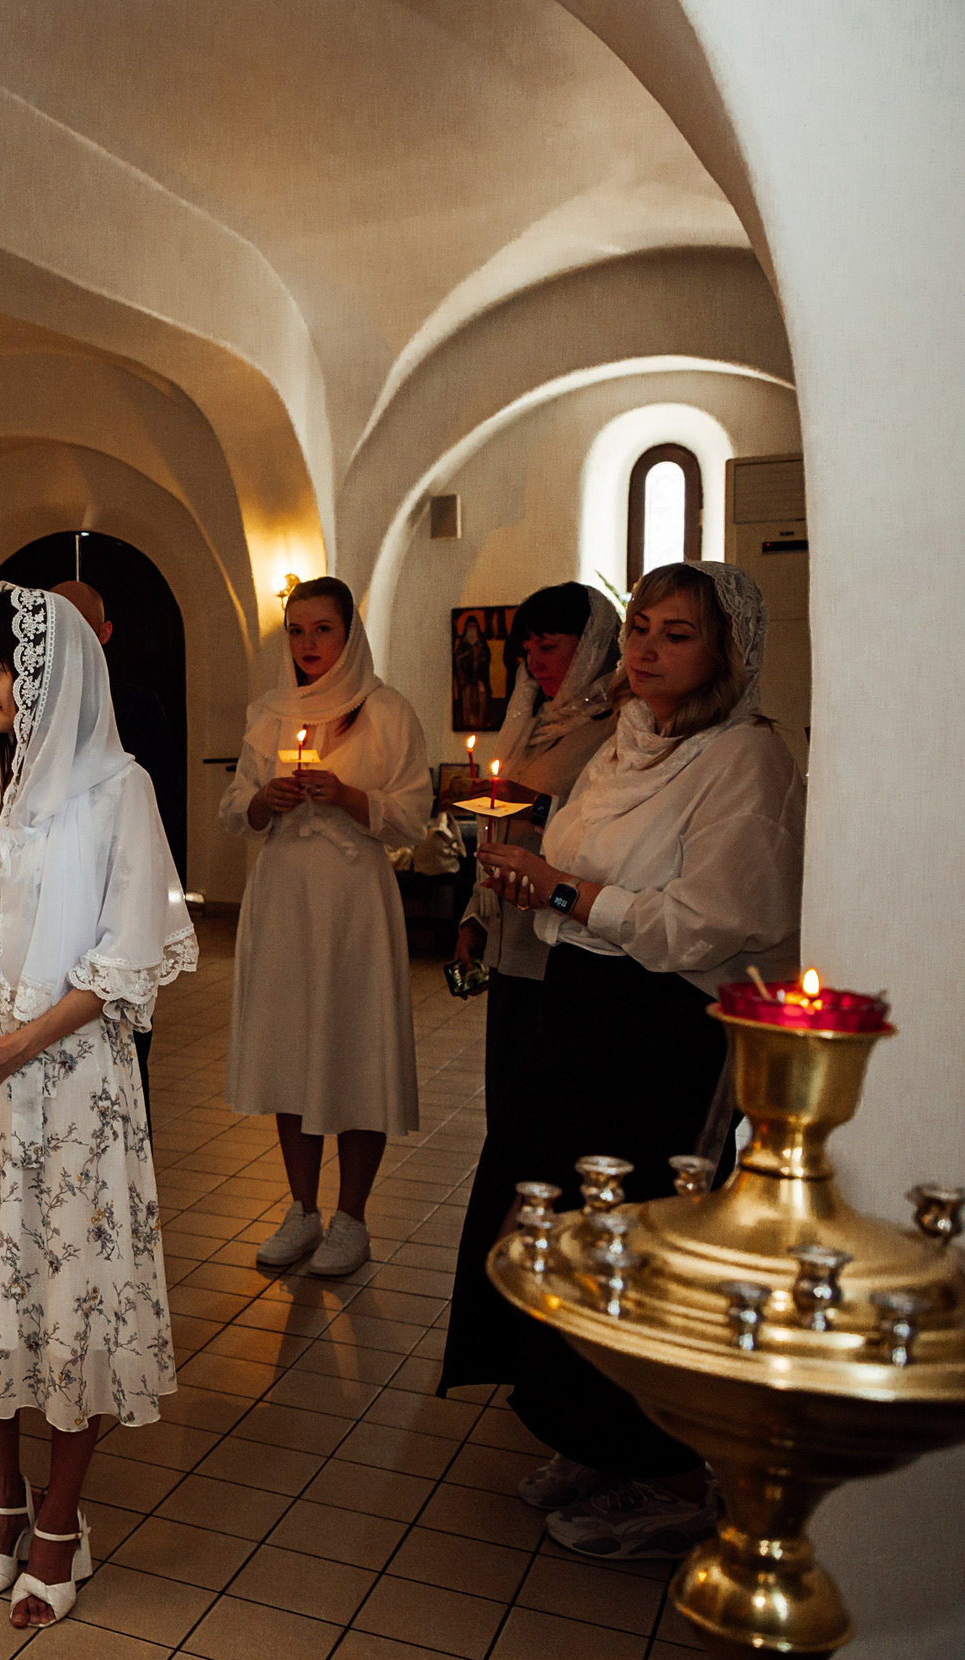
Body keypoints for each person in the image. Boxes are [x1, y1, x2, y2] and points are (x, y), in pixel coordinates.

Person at [473, 561, 801, 1560]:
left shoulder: (744, 760)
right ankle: (592, 1435)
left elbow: (719, 921)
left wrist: (565, 892)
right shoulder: (623, 744)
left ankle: (667, 1469)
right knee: (562, 1218)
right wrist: (532, 883)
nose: (648, 650)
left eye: (677, 634)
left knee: (644, 1237)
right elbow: (578, 869)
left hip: (666, 1027)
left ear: (725, 654)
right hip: (580, 1008)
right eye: (642, 629)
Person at [0, 586, 196, 1631]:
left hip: (68, 1077)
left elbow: (129, 959)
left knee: (70, 1289)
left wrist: (20, 1041)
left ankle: (61, 1521)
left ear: (47, 674)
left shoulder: (119, 790)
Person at [439, 582, 621, 1400]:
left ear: (588, 647)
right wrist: (476, 915)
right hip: (515, 948)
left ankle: (550, 1324)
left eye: (552, 648)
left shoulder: (612, 724)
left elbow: (549, 813)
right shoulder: (534, 721)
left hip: (572, 955)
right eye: (529, 650)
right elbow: (500, 826)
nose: (537, 664)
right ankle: (513, 1309)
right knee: (507, 1122)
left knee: (549, 1132)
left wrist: (512, 799)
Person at [220, 576, 431, 1276]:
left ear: (350, 633)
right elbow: (231, 808)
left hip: (353, 904)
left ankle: (353, 1218)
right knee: (292, 1050)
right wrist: (261, 802)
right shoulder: (269, 713)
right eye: (297, 632)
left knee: (353, 1046)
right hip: (284, 897)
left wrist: (348, 796)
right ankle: (302, 1208)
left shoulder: (389, 712)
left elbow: (413, 818)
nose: (308, 645)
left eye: (323, 630)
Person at [50, 578, 180, 1106]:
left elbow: (162, 807)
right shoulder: (23, 709)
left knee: (123, 1050)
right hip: (52, 903)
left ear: (103, 633)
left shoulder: (136, 705)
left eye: (82, 625)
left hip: (117, 895)